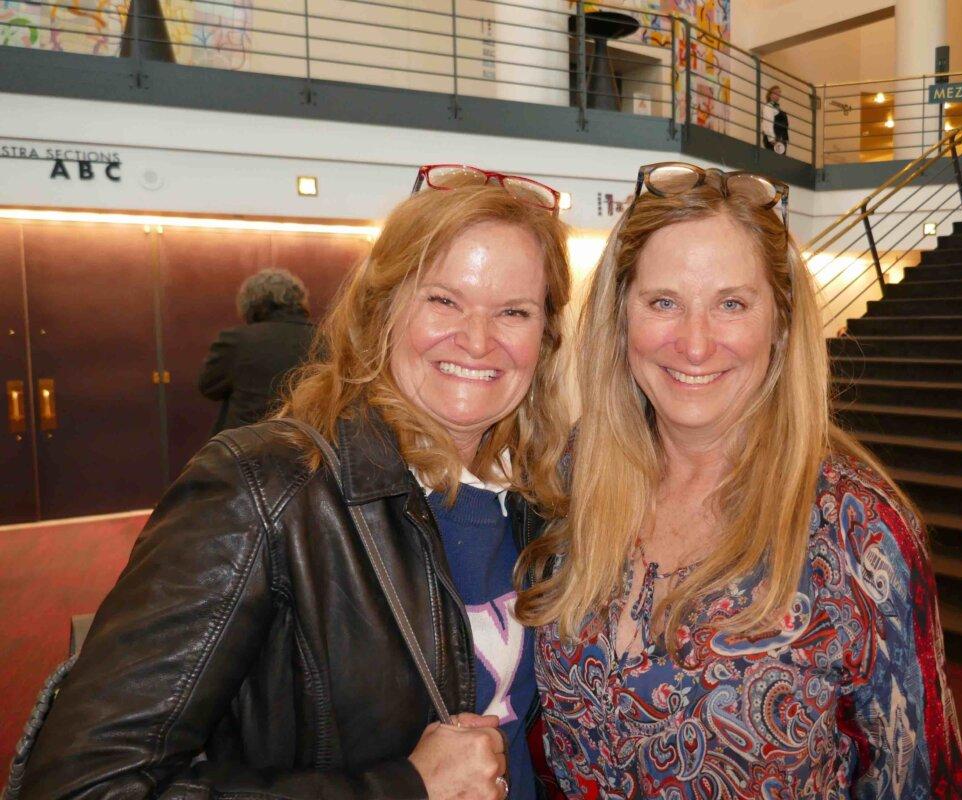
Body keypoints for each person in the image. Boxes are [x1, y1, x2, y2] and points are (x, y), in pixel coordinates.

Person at [20, 167, 572, 800]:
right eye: (443, 300)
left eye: (514, 311)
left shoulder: (536, 499)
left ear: (545, 336)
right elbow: (81, 786)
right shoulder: (262, 489)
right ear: (382, 309)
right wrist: (401, 787)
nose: (478, 340)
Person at [518, 162, 962, 798]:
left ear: (780, 326)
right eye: (664, 303)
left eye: (731, 304)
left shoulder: (858, 529)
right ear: (620, 318)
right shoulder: (575, 475)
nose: (695, 344)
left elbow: (921, 780)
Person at [199, 268, 316, 434]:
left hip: (245, 445)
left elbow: (209, 388)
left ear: (249, 303)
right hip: (308, 444)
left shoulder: (236, 340)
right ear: (300, 300)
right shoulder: (324, 338)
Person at [761, 85, 789, 154]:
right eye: (776, 92)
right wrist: (772, 139)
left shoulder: (776, 108)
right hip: (774, 140)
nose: (778, 94)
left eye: (779, 92)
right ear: (770, 95)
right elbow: (768, 123)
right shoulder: (768, 106)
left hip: (780, 140)